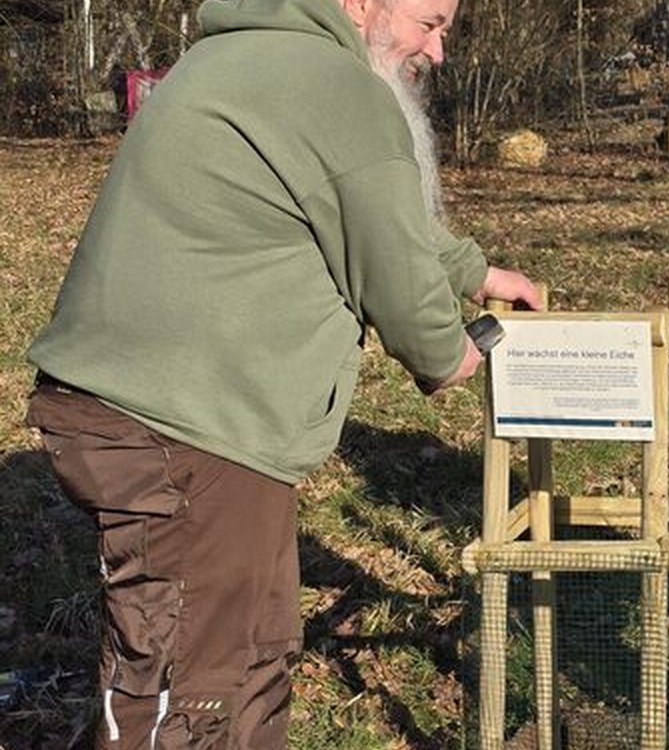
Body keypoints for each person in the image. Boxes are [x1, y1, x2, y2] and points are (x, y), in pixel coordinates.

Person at [24, 0, 541, 747]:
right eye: (429, 23)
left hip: (174, 413)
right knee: (192, 692)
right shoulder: (336, 84)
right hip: (187, 429)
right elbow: (397, 274)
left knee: (250, 658)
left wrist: (474, 272)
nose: (437, 51)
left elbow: (368, 205)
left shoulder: (245, 58)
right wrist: (449, 350)